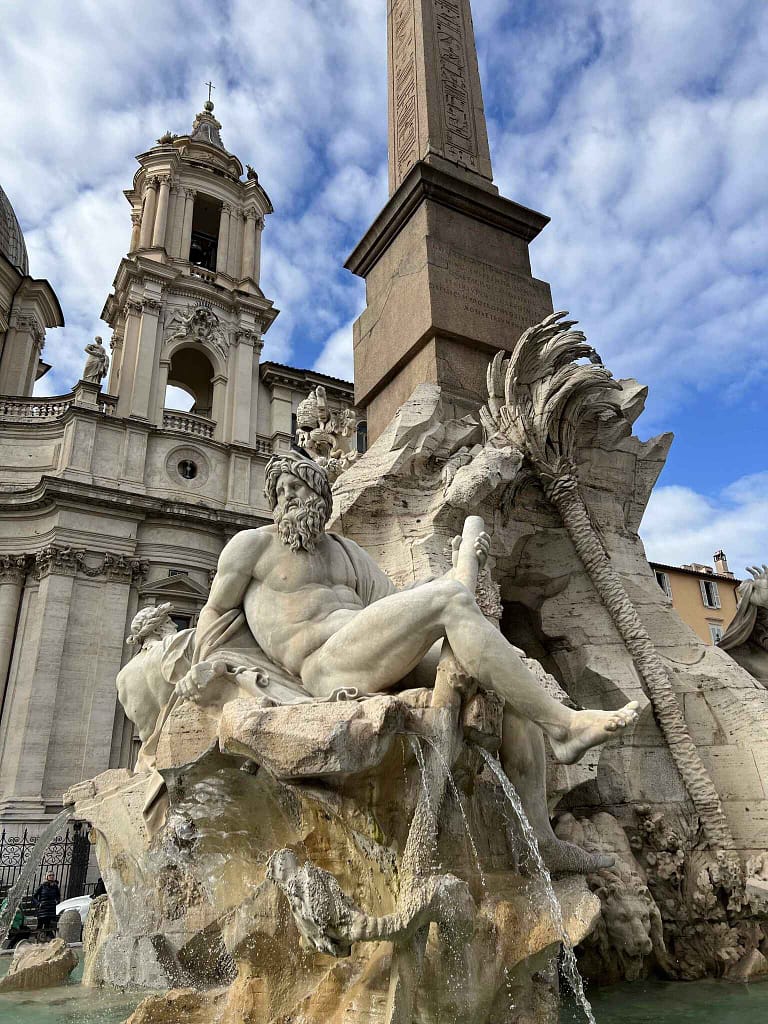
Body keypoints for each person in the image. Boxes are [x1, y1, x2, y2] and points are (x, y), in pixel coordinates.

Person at [176, 453, 638, 868]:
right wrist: (213, 668)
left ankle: (538, 838)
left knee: (498, 670)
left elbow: (401, 608)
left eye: (294, 487)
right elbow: (215, 613)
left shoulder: (347, 553)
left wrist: (457, 573)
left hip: (367, 649)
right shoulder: (252, 545)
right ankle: (565, 727)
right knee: (453, 600)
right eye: (278, 492)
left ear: (319, 492)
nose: (285, 498)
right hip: (322, 664)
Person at [32, 873, 61, 937]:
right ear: (46, 877)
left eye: (53, 875)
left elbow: (58, 896)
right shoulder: (42, 886)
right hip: (43, 908)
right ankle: (37, 939)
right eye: (50, 875)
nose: (52, 876)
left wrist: (57, 901)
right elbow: (34, 896)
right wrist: (38, 904)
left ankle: (45, 939)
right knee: (40, 924)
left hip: (51, 908)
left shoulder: (55, 886)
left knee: (47, 925)